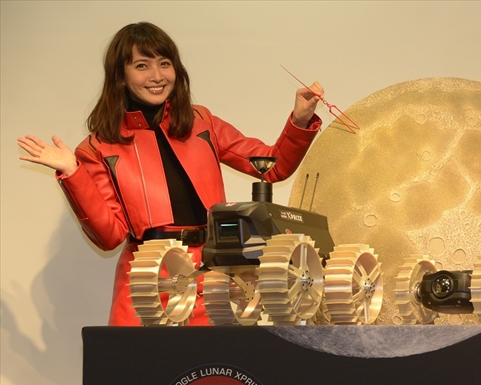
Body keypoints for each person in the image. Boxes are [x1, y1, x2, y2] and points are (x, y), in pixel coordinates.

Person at [18, 22, 323, 326]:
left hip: (213, 276)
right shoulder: (98, 147)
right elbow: (109, 237)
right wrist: (72, 173)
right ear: (120, 76)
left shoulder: (201, 121)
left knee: (217, 358)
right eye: (142, 65)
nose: (157, 76)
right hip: (145, 281)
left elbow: (271, 166)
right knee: (137, 359)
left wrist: (299, 120)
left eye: (165, 63)